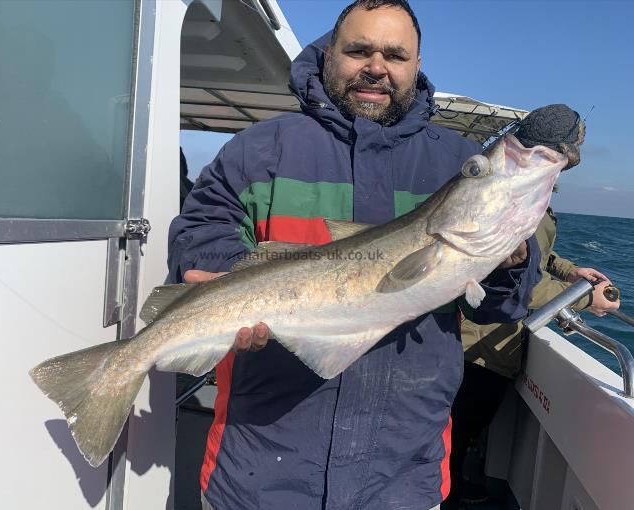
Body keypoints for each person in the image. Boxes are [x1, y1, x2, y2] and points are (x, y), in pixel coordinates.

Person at [166, 2, 541, 509]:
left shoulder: (457, 163)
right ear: (328, 55)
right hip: (259, 467)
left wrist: (512, 259)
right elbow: (200, 230)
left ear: (416, 64)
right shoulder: (258, 149)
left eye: (395, 54)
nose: (377, 67)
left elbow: (500, 307)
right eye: (358, 50)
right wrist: (239, 284)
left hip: (402, 476)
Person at [448, 105, 621, 504]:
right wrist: (578, 296)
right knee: (458, 433)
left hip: (487, 340)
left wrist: (571, 271)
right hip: (480, 345)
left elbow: (534, 255)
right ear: (565, 152)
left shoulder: (527, 185)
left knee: (462, 432)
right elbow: (513, 274)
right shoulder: (520, 191)